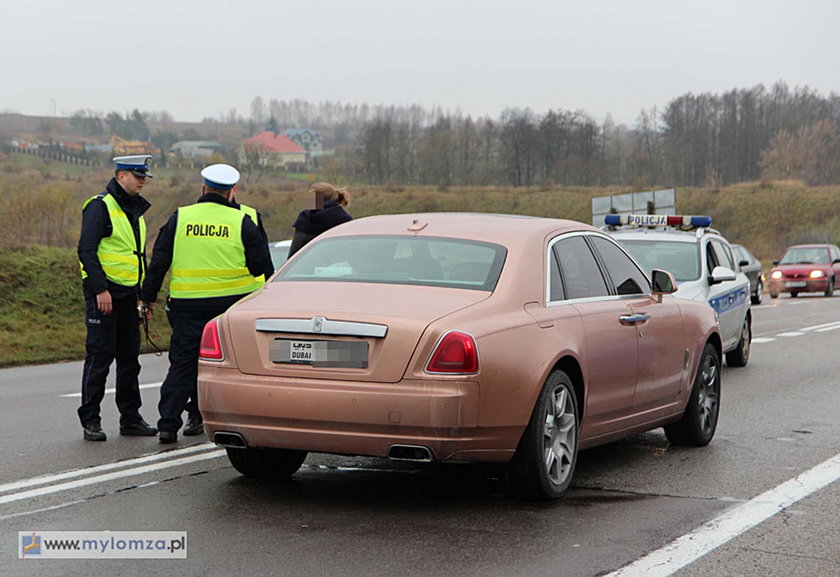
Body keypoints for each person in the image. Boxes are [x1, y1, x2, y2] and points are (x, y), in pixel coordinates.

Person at [140, 164, 273, 443]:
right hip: (232, 308)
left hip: (187, 307)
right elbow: (261, 265)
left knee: (183, 364)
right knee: (237, 366)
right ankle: (240, 423)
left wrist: (147, 298)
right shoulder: (242, 221)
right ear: (231, 192)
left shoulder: (181, 218)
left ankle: (167, 425)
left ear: (203, 189)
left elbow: (159, 262)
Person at [77, 155, 158, 441]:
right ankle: (91, 420)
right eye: (138, 177)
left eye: (144, 178)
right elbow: (86, 250)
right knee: (100, 357)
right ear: (121, 175)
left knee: (129, 360)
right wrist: (100, 289)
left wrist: (144, 298)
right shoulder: (101, 206)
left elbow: (137, 259)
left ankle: (130, 419)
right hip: (105, 294)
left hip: (129, 295)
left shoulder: (134, 210)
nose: (142, 182)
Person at [287, 182, 352, 258]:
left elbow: (294, 254)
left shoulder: (305, 219)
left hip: (310, 267)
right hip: (342, 266)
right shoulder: (345, 219)